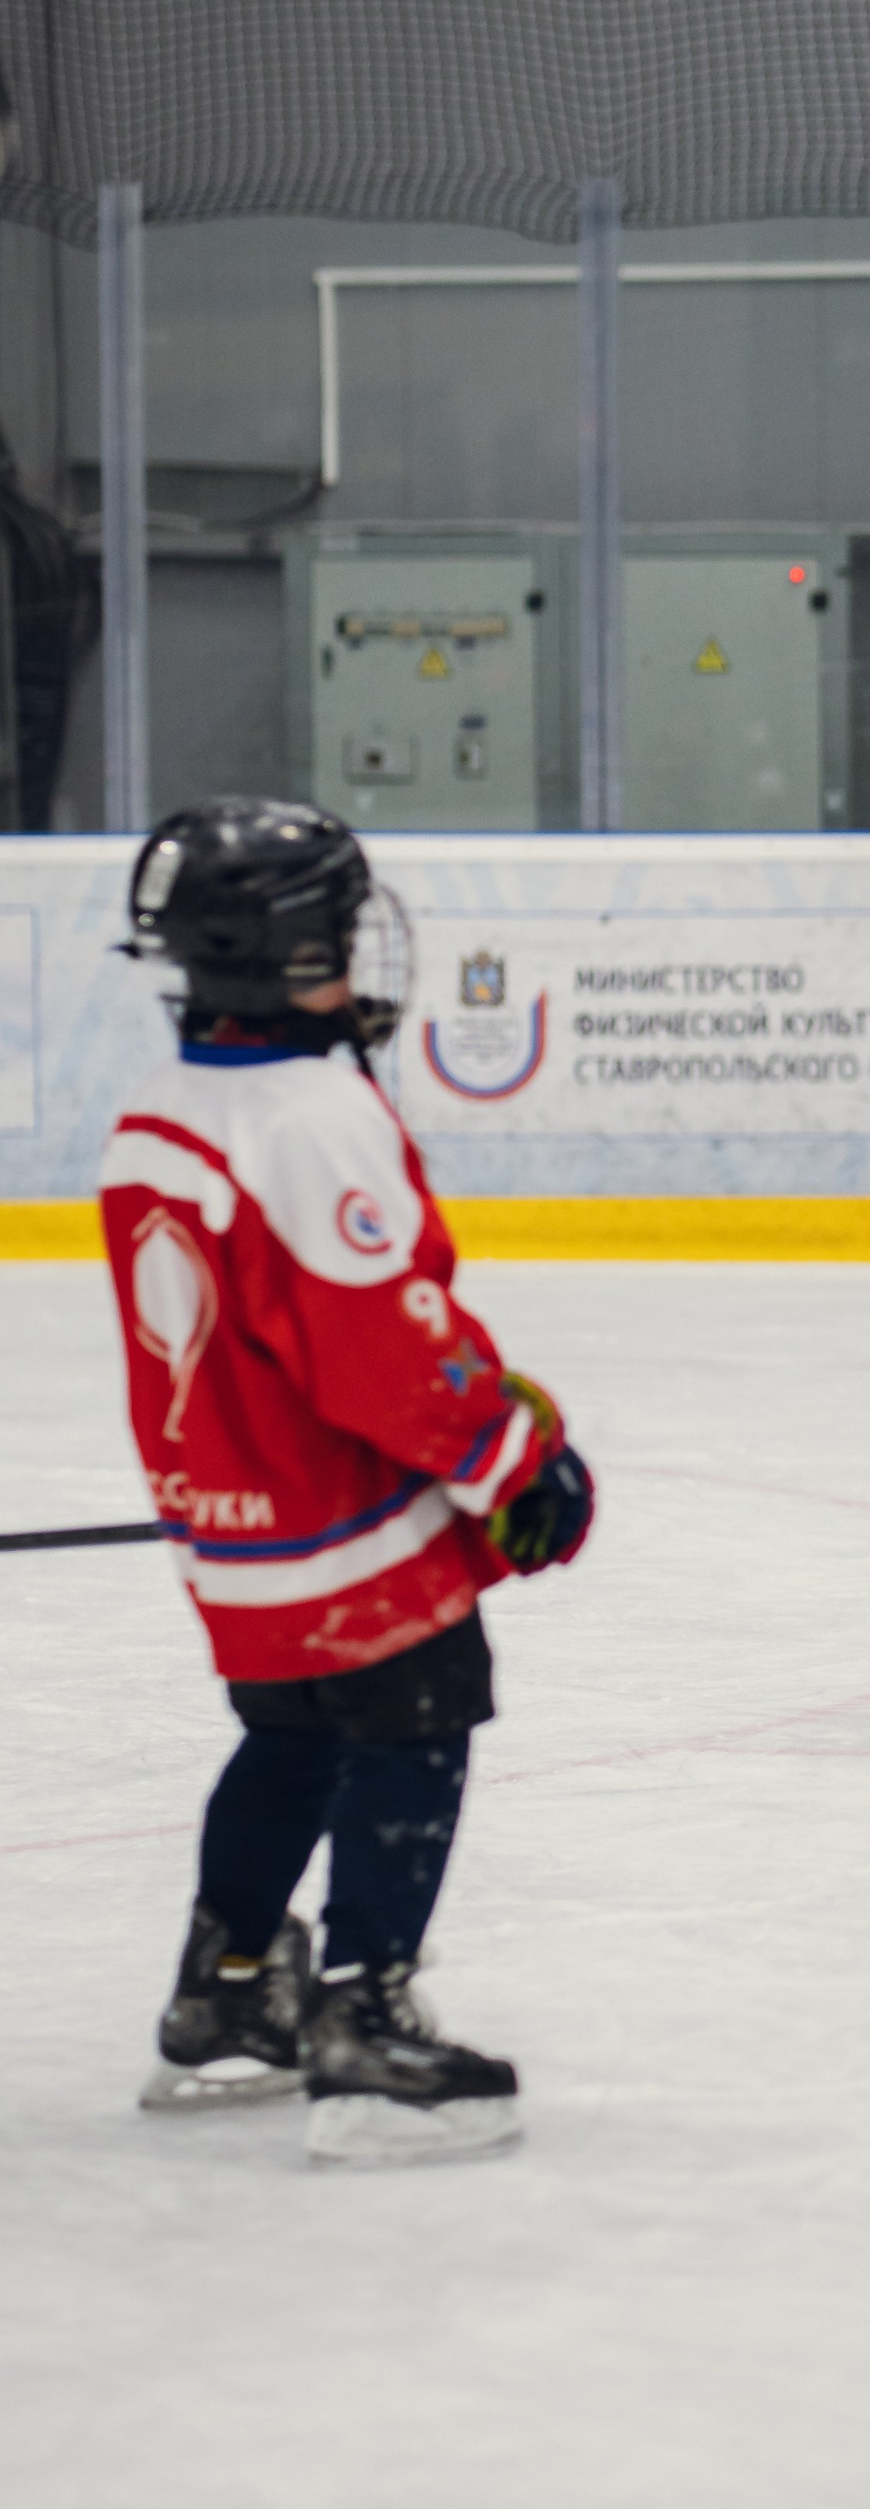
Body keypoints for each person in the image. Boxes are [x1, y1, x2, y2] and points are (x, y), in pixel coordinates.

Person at [104, 797, 594, 2165]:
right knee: (413, 1727)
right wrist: (518, 1461)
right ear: (287, 946)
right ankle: (365, 2027)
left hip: (230, 1516)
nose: (356, 955)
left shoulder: (159, 1107)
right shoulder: (313, 1112)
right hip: (348, 1517)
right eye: (333, 928)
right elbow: (376, 1347)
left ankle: (227, 1995)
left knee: (291, 1738)